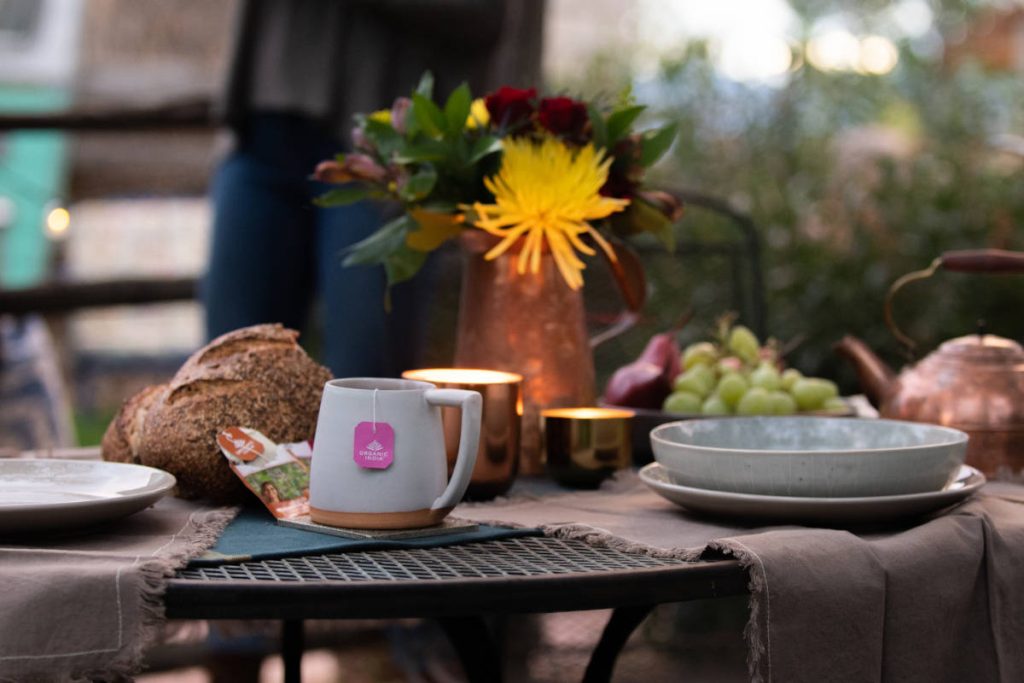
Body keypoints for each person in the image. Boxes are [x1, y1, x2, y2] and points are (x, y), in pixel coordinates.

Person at [204, 0, 544, 378]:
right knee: (224, 383)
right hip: (264, 126)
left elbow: (484, 16)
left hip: (390, 156)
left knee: (368, 395)